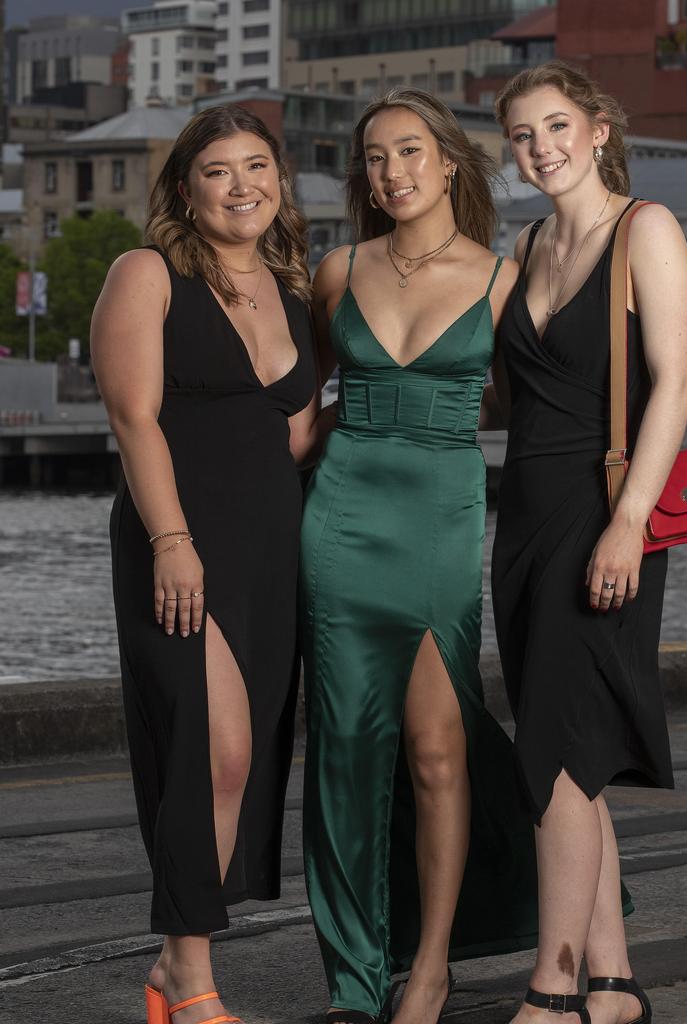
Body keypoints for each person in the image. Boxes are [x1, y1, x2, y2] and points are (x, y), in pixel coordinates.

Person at [300, 88, 539, 1024]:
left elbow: (527, 409)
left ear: (448, 162)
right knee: (346, 752)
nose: (390, 172)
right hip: (341, 519)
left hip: (441, 515)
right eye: (374, 157)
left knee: (439, 750)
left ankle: (430, 968)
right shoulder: (336, 269)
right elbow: (301, 402)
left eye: (408, 152)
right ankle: (356, 985)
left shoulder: (502, 279)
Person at [91, 105, 317, 1024]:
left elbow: (294, 435)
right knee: (210, 748)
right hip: (176, 538)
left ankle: (175, 962)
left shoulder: (291, 287)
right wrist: (171, 541)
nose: (242, 186)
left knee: (243, 759)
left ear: (280, 181)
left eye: (257, 166)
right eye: (218, 170)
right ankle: (190, 979)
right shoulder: (146, 272)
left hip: (271, 543)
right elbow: (133, 417)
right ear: (185, 188)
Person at [487, 61, 687, 1024]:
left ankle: (554, 988)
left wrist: (629, 520)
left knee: (559, 758)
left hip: (604, 508)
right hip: (523, 519)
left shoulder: (643, 228)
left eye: (558, 126)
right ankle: (614, 987)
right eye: (524, 136)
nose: (543, 148)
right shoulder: (524, 244)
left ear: (600, 127)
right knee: (563, 745)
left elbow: (675, 383)